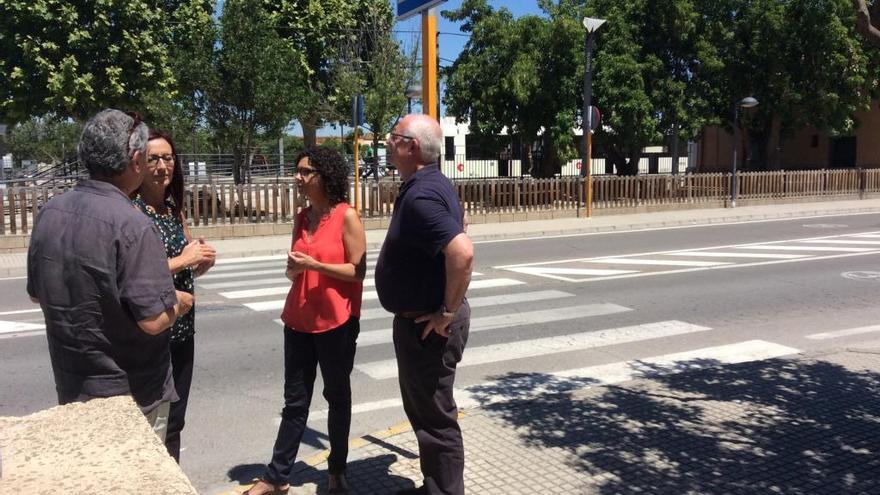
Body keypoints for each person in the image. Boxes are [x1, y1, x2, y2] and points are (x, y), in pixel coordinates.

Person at [26, 109, 194, 440]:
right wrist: (178, 302)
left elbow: (36, 292)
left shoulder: (50, 212)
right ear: (135, 160)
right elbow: (154, 320)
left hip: (72, 384)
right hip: (131, 395)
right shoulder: (131, 223)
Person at [246, 146, 366, 495]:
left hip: (336, 322)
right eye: (297, 171)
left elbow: (357, 272)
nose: (298, 177)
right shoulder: (301, 218)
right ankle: (276, 476)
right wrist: (293, 269)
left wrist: (314, 266)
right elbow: (293, 270)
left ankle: (337, 471)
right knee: (295, 403)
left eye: (305, 172)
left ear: (324, 176)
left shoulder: (347, 216)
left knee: (337, 396)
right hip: (298, 319)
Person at [374, 114, 475, 495]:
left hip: (429, 327)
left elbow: (462, 252)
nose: (387, 140)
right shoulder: (430, 184)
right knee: (425, 414)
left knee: (435, 420)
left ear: (410, 146)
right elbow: (460, 226)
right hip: (420, 323)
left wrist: (446, 313)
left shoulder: (421, 194)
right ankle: (435, 486)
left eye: (393, 136)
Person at [132, 128, 216, 462]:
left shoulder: (172, 209)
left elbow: (185, 259)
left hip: (182, 329)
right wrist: (184, 259)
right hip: (152, 331)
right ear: (138, 163)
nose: (162, 166)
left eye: (167, 158)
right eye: (153, 159)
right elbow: (134, 272)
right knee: (149, 422)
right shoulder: (133, 212)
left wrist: (201, 259)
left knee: (176, 421)